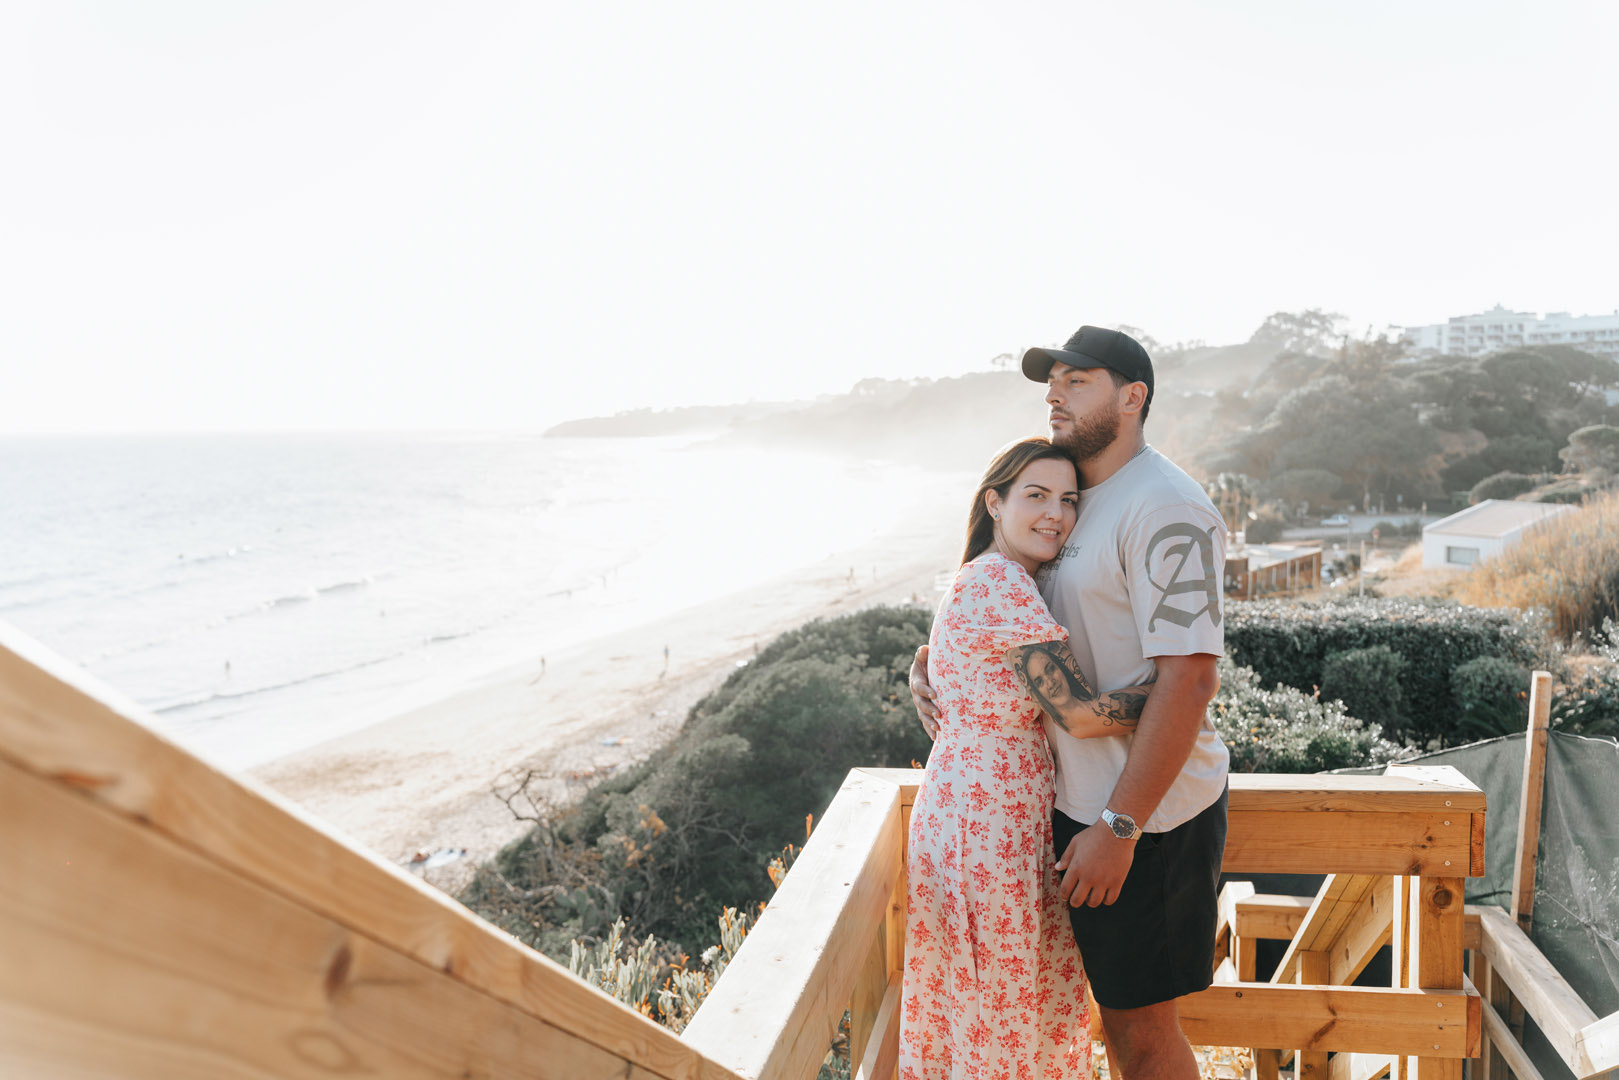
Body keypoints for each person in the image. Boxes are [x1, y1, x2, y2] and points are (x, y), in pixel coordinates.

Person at [910, 326, 1229, 1080]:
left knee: (1141, 1036)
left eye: (1076, 381)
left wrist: (1120, 827)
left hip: (1141, 817)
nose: (1054, 395)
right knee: (1101, 1026)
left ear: (1132, 396)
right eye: (1051, 382)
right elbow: (1017, 624)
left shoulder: (1165, 508)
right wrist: (934, 664)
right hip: (1065, 809)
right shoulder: (1077, 501)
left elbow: (1189, 679)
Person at [898, 436, 1151, 1080]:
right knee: (1003, 1000)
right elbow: (1079, 714)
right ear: (994, 503)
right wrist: (1175, 694)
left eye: (1068, 500)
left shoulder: (992, 578)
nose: (1055, 514)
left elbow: (962, 667)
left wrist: (921, 665)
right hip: (986, 826)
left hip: (980, 810)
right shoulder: (1002, 584)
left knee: (988, 999)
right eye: (1036, 496)